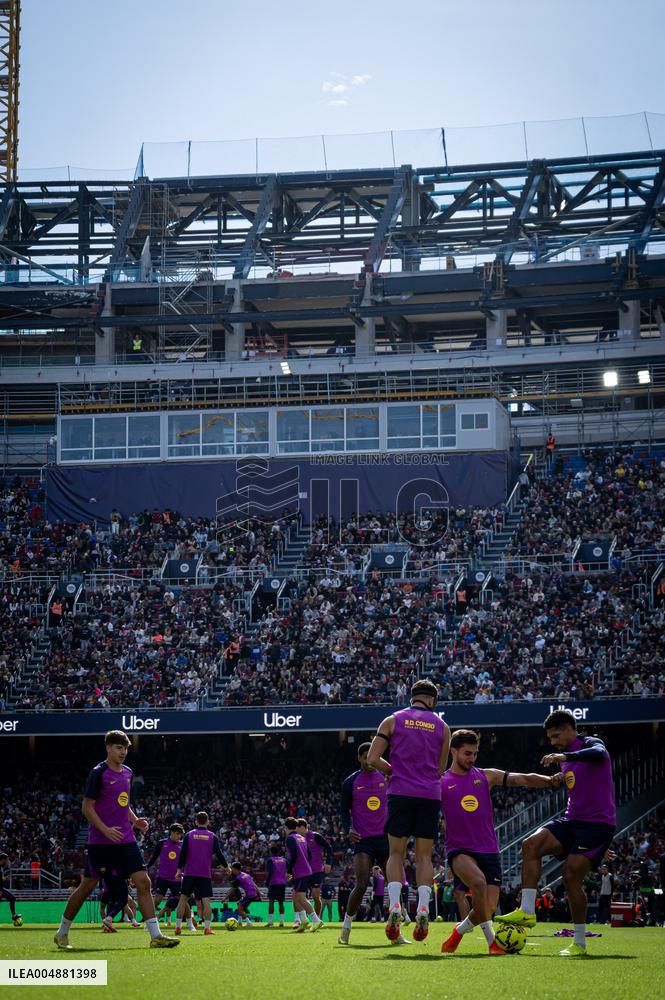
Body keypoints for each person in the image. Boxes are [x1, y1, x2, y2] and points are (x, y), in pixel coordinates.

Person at [499, 709, 616, 957]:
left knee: (571, 876)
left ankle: (579, 943)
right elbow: (576, 783)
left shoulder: (591, 744)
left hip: (597, 825)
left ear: (569, 729)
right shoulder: (564, 759)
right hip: (572, 820)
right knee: (530, 845)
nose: (552, 742)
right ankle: (528, 910)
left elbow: (599, 754)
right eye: (550, 738)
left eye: (555, 736)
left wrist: (564, 754)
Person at [439, 728, 562, 955]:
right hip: (459, 850)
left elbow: (522, 778)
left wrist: (550, 782)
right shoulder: (441, 782)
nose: (472, 758)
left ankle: (459, 931)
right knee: (478, 883)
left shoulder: (486, 776)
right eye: (467, 753)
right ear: (453, 751)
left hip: (489, 850)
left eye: (475, 753)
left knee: (487, 908)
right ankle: (492, 943)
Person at [53, 730, 178, 950]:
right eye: (119, 748)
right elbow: (87, 808)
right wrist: (105, 829)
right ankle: (62, 932)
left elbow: (123, 803)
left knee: (144, 882)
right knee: (86, 887)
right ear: (108, 748)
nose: (123, 752)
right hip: (101, 842)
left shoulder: (128, 772)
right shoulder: (98, 773)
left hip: (126, 840)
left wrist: (135, 819)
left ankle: (156, 935)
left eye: (126, 748)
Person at [368, 679, 450, 943]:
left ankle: (394, 907)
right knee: (424, 858)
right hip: (429, 794)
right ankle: (423, 908)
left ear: (411, 697)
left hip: (400, 792)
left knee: (395, 853)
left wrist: (395, 770)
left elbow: (372, 759)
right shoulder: (443, 727)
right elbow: (440, 770)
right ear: (433, 700)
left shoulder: (392, 720)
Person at [338, 741, 394, 944]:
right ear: (360, 758)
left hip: (385, 838)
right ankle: (345, 928)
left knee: (394, 883)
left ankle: (397, 928)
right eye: (365, 756)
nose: (369, 760)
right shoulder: (350, 782)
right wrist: (348, 829)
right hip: (363, 840)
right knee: (361, 885)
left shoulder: (387, 777)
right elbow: (344, 812)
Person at [175, 811, 228, 936]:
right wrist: (226, 866)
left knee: (183, 899)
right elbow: (219, 854)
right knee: (206, 901)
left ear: (196, 822)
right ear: (208, 822)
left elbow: (182, 854)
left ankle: (178, 928)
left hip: (189, 873)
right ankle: (207, 929)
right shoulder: (212, 836)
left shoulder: (189, 835)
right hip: (204, 874)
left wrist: (179, 870)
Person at [145, 824, 196, 931]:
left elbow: (189, 860)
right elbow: (153, 858)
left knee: (183, 901)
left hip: (176, 879)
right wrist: (146, 867)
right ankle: (149, 924)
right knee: (157, 900)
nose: (179, 836)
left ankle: (190, 924)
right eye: (177, 834)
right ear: (171, 832)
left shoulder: (183, 845)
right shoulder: (162, 843)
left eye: (180, 835)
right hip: (162, 877)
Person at [283, 817, 322, 933]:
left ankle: (316, 920)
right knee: (295, 895)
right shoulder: (302, 838)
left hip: (300, 871)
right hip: (307, 870)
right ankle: (304, 921)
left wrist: (289, 870)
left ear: (286, 828)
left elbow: (294, 855)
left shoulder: (290, 839)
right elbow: (309, 855)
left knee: (300, 897)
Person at [295, 819, 332, 918]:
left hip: (316, 870)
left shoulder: (316, 836)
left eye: (297, 828)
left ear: (302, 827)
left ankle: (318, 919)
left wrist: (328, 863)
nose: (296, 831)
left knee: (315, 896)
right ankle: (304, 919)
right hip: (303, 871)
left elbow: (329, 848)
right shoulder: (297, 839)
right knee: (302, 896)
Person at [229, 862, 260, 928]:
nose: (231, 870)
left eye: (232, 868)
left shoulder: (239, 878)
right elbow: (253, 884)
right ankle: (239, 922)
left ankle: (248, 922)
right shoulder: (246, 874)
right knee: (238, 903)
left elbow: (233, 889)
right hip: (253, 894)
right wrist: (259, 892)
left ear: (235, 869)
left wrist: (225, 898)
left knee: (239, 909)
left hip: (250, 895)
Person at [265, 845, 287, 928]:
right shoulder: (284, 860)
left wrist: (267, 882)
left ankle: (270, 922)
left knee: (271, 901)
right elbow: (289, 870)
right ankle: (281, 922)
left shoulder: (270, 860)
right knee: (281, 903)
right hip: (282, 883)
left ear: (271, 852)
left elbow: (270, 871)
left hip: (273, 883)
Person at [0, 854, 22, 927]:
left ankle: (14, 915)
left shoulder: (1, 867)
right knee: (12, 898)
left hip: (1, 888)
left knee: (12, 898)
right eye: (6, 859)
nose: (7, 861)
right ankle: (14, 915)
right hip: (0, 888)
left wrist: (4, 878)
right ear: (3, 859)